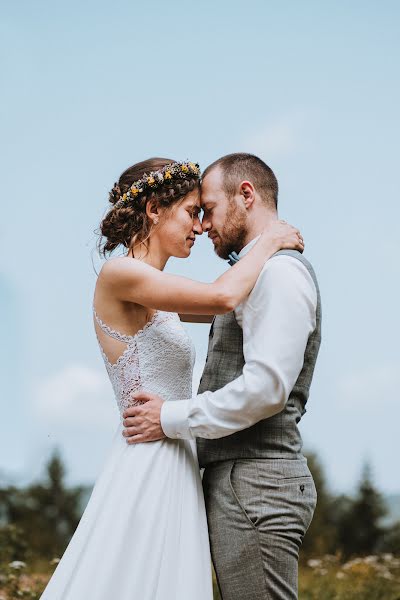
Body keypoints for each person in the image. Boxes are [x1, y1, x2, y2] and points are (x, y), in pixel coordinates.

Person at [39, 157, 303, 600]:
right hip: (148, 456)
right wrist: (270, 240)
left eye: (203, 213)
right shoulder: (120, 274)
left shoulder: (156, 291)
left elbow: (237, 302)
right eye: (190, 212)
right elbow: (222, 296)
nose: (200, 227)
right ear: (154, 211)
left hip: (178, 450)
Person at [122, 153, 321, 600]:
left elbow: (266, 390)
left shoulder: (280, 273)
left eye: (207, 209)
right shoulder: (253, 274)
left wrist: (168, 418)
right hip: (239, 482)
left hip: (256, 484)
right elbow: (211, 298)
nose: (203, 224)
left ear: (245, 195)